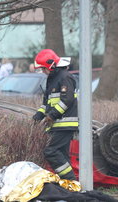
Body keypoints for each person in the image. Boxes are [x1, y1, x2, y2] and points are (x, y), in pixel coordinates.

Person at [32, 49, 78, 180]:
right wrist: (38, 116)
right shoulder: (52, 79)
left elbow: (67, 100)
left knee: (50, 151)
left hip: (65, 123)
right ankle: (70, 184)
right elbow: (46, 103)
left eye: (43, 68)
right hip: (57, 124)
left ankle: (70, 180)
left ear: (51, 66)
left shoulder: (65, 77)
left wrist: (51, 116)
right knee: (62, 155)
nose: (43, 72)